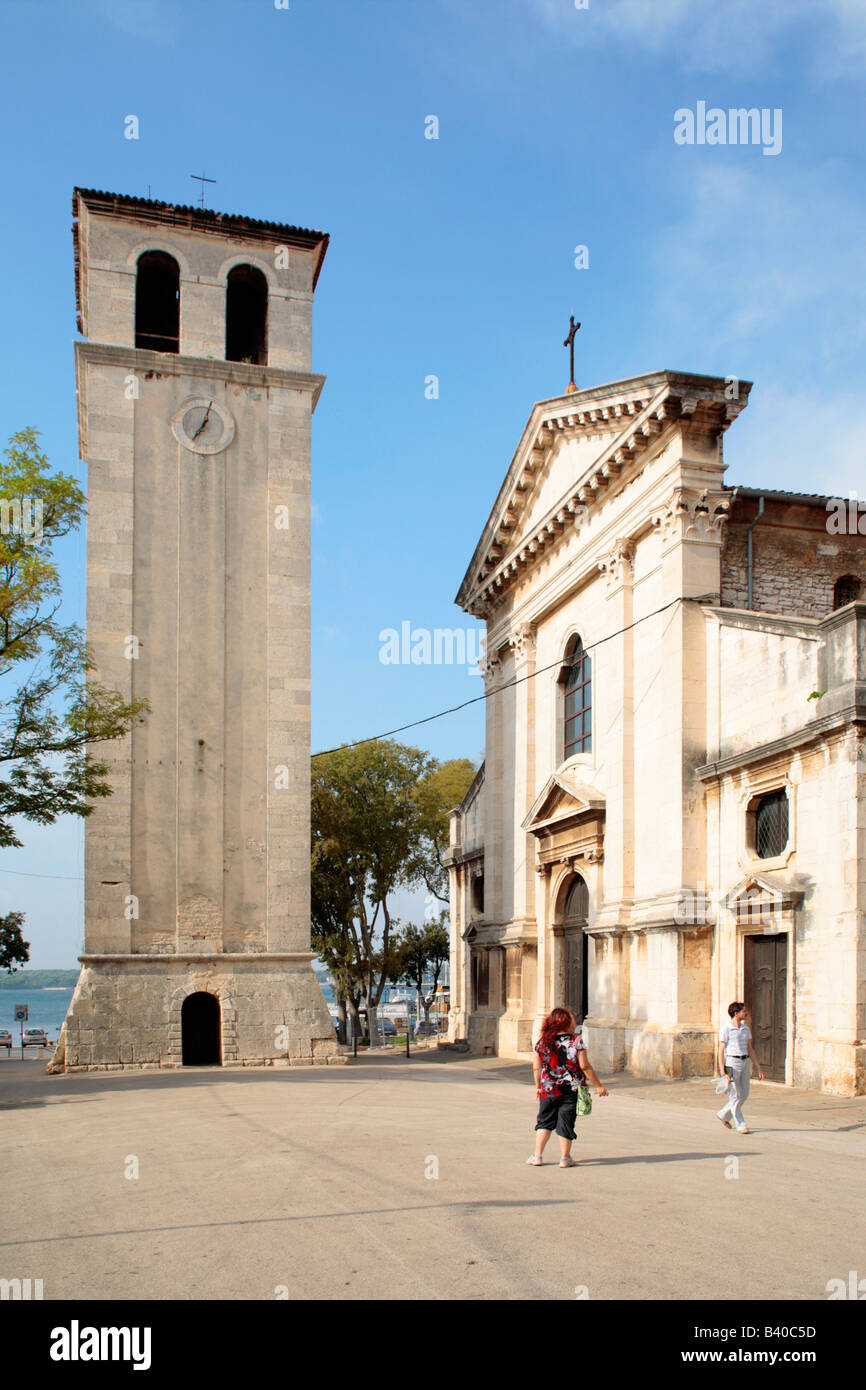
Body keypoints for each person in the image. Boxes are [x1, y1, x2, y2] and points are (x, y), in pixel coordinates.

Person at [527, 1006, 608, 1166]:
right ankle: (565, 1158)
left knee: (544, 1121)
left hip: (548, 1089)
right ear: (567, 1023)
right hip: (570, 1090)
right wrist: (598, 1085)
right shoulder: (576, 1041)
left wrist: (538, 1086)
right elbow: (585, 1066)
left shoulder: (542, 1042)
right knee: (566, 1121)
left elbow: (536, 1067)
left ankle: (537, 1156)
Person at [716, 1001, 763, 1134]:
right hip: (732, 1062)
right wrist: (722, 1070)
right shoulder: (726, 1029)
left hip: (744, 1061)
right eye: (744, 1011)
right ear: (736, 1014)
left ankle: (724, 1114)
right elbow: (721, 1050)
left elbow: (750, 1049)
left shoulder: (745, 1029)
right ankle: (741, 1125)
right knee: (735, 1095)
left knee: (744, 1094)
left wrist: (758, 1067)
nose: (746, 1013)